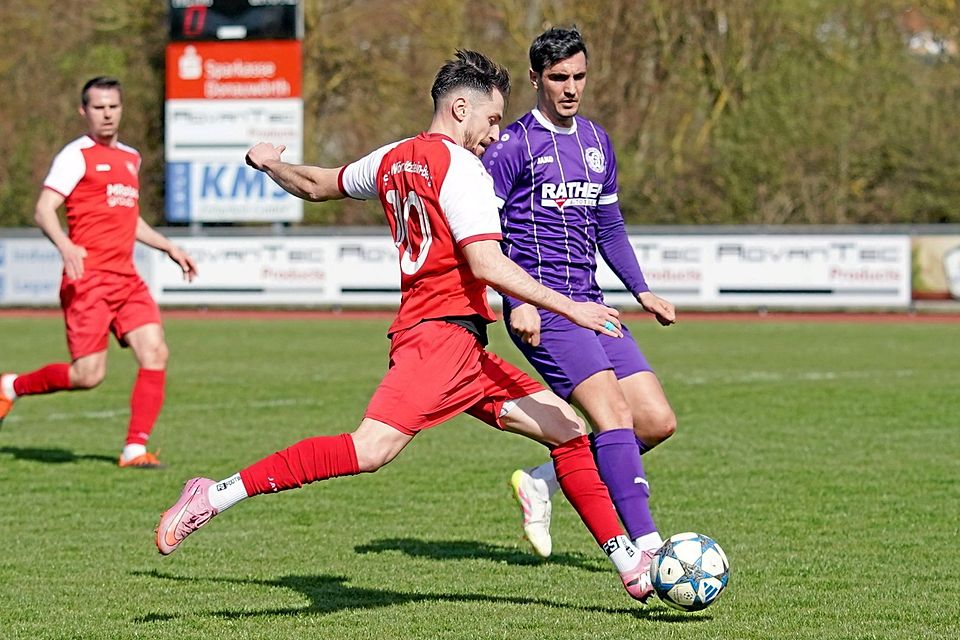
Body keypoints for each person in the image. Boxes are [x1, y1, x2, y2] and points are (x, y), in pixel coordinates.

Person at [155, 50, 654, 602]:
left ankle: (630, 562)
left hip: (458, 345)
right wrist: (571, 307)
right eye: (491, 120)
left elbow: (318, 184)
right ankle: (216, 493)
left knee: (568, 428)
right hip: (439, 340)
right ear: (460, 108)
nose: (495, 136)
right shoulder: (463, 169)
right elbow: (487, 264)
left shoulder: (395, 157)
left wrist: (270, 164)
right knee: (370, 449)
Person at [481, 28, 677, 567]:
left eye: (579, 76)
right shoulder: (512, 146)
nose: (571, 88)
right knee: (613, 414)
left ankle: (544, 480)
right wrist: (516, 299)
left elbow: (609, 226)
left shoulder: (596, 141)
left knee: (655, 421)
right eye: (559, 77)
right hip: (543, 307)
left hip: (592, 304)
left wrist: (642, 289)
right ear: (535, 79)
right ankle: (649, 550)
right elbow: (484, 235)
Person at [0, 77, 198, 468]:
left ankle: (134, 449)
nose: (107, 114)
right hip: (88, 280)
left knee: (155, 351)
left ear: (121, 109)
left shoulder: (131, 158)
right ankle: (11, 386)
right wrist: (65, 244)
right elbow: (43, 209)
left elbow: (130, 219)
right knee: (87, 375)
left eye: (113, 106)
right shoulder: (76, 155)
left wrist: (168, 246)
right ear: (84, 111)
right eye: (98, 107)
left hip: (126, 280)